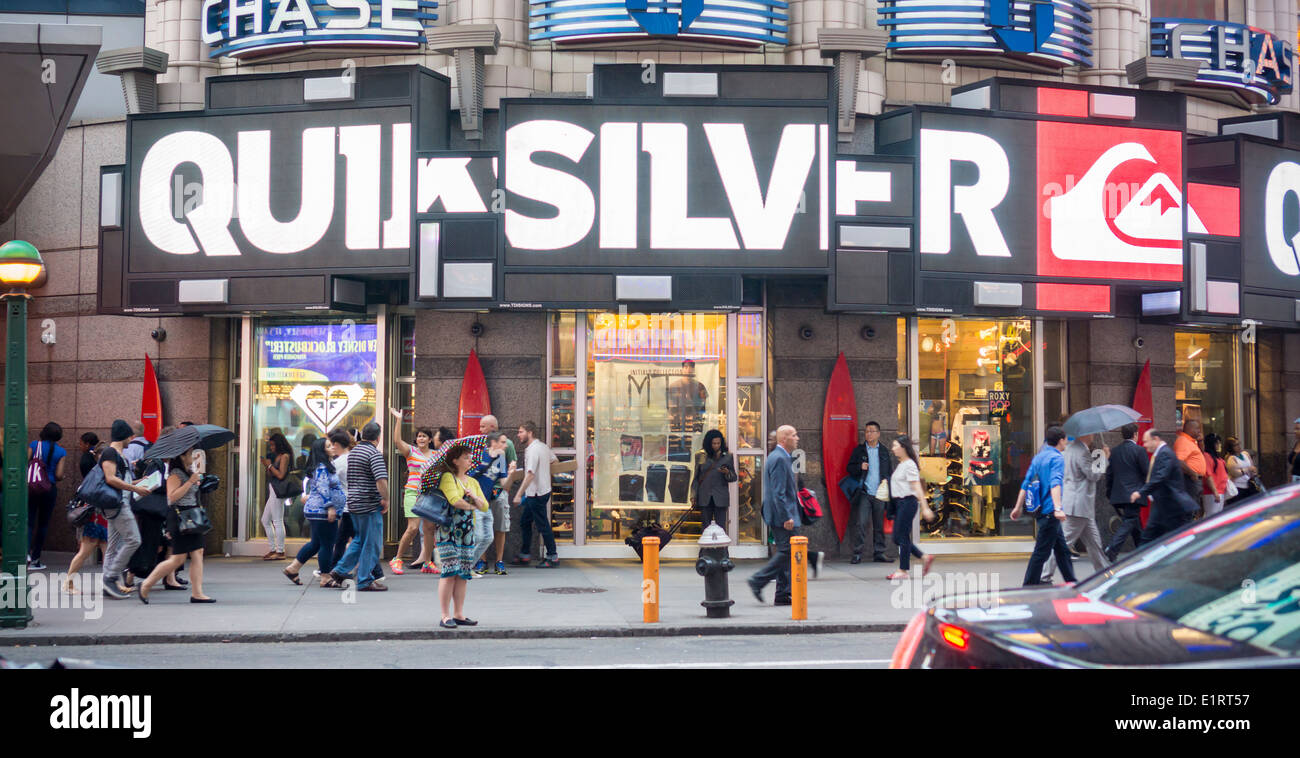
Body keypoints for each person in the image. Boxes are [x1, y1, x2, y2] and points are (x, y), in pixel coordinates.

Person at [137, 448, 214, 603]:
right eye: (190, 453)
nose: (193, 456)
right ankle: (146, 584)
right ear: (182, 456)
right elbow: (171, 497)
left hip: (192, 515)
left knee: (197, 552)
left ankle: (197, 592)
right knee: (177, 559)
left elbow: (192, 492)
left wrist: (200, 482)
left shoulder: (189, 471)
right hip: (179, 516)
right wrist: (190, 482)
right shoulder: (175, 474)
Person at [433, 443, 490, 628]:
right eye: (466, 457)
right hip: (448, 530)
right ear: (455, 460)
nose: (470, 459)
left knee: (463, 573)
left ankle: (458, 614)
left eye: (470, 456)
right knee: (449, 571)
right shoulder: (447, 478)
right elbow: (454, 501)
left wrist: (474, 497)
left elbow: (485, 506)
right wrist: (472, 505)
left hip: (466, 532)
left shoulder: (473, 482)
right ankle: (445, 615)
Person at [327, 422, 389, 591]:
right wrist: (386, 498)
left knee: (360, 539)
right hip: (369, 503)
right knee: (372, 542)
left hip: (353, 503)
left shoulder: (353, 453)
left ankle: (339, 570)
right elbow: (381, 480)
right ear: (378, 437)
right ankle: (364, 579)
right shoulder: (373, 454)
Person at [1010, 426, 1076, 587]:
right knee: (1041, 552)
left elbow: (1026, 483)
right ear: (1061, 440)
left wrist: (1018, 507)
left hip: (1042, 511)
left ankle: (1072, 582)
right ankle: (1029, 585)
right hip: (1049, 512)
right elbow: (1055, 484)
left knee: (1062, 551)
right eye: (1065, 439)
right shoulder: (1057, 458)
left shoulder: (1039, 457)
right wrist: (1058, 508)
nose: (1066, 442)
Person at [1042, 433, 1110, 582]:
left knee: (1094, 543)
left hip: (1078, 504)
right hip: (1078, 505)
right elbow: (1093, 475)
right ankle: (1044, 575)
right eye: (1091, 433)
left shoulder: (1070, 449)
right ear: (1085, 434)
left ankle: (1105, 572)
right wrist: (1104, 458)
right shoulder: (1081, 451)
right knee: (1064, 543)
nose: (1093, 436)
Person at [747, 425, 802, 605]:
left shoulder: (782, 457)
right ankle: (758, 580)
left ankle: (783, 594)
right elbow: (779, 493)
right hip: (781, 516)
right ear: (784, 439)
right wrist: (786, 517)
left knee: (787, 552)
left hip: (781, 513)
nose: (797, 438)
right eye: (793, 435)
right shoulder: (779, 458)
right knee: (786, 551)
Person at [100, 420, 153, 599]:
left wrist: (140, 482)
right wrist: (136, 488)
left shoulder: (118, 454)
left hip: (118, 503)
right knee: (134, 540)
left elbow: (120, 480)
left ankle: (108, 583)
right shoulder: (110, 453)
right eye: (130, 435)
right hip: (118, 504)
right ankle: (110, 577)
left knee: (114, 545)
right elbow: (110, 479)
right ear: (123, 436)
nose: (132, 438)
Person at [283, 438, 341, 585]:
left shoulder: (325, 465)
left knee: (316, 543)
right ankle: (325, 577)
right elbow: (323, 488)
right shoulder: (322, 468)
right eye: (329, 446)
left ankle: (293, 568)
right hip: (322, 511)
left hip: (317, 510)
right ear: (322, 451)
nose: (333, 447)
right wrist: (330, 507)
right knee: (327, 544)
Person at [388, 411, 436, 575]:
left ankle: (428, 562)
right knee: (413, 528)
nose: (421, 439)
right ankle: (398, 558)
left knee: (429, 528)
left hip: (429, 495)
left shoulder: (436, 456)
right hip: (412, 493)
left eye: (424, 436)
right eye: (419, 436)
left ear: (430, 439)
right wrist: (399, 420)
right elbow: (397, 440)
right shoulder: (411, 452)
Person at [845, 420, 895, 564]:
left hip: (879, 492)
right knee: (861, 523)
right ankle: (857, 553)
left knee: (879, 524)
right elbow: (849, 468)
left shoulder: (884, 450)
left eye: (872, 431)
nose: (868, 434)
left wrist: (887, 483)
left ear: (878, 434)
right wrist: (860, 467)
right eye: (866, 431)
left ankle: (879, 552)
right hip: (864, 492)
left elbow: (889, 471)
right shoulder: (859, 450)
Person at [1133, 430, 1195, 543]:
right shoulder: (1161, 453)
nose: (1144, 445)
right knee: (1152, 537)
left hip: (1172, 504)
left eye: (1146, 441)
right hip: (1163, 504)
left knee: (1153, 537)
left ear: (1155, 439)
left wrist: (1140, 492)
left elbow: (1160, 477)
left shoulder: (1165, 453)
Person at [512, 421, 559, 567]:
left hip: (536, 493)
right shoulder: (543, 447)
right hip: (541, 491)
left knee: (542, 524)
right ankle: (525, 554)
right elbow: (554, 460)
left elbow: (530, 474)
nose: (518, 435)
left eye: (521, 432)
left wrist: (518, 494)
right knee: (525, 522)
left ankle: (552, 557)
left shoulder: (533, 450)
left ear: (530, 432)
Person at [885, 435, 933, 580]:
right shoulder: (902, 464)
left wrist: (925, 507)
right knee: (898, 537)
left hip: (908, 502)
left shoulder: (910, 465)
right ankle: (924, 557)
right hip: (901, 504)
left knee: (901, 536)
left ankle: (903, 570)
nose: (893, 449)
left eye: (895, 446)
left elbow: (916, 486)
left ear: (903, 447)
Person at [26, 421, 68, 570]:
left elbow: (25, 463)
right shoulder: (61, 452)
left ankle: (26, 555)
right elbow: (58, 475)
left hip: (31, 487)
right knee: (43, 524)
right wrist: (61, 478)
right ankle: (36, 558)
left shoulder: (34, 445)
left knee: (29, 521)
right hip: (49, 489)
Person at [1104, 423, 1148, 561]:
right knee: (1130, 520)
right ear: (1135, 434)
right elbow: (1147, 472)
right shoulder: (1140, 451)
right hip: (1134, 493)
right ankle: (1112, 548)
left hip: (1118, 493)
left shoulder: (1114, 451)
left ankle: (1142, 550)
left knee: (1135, 523)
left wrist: (1109, 492)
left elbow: (1109, 474)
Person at [472, 432, 510, 575]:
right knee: (479, 536)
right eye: (503, 442)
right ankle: (469, 565)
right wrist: (488, 461)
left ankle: (470, 565)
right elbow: (469, 475)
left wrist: (511, 473)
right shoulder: (479, 455)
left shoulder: (501, 458)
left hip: (486, 501)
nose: (506, 446)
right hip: (473, 500)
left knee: (487, 537)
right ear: (494, 443)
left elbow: (504, 483)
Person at [691, 429, 737, 531]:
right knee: (705, 526)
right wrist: (693, 495)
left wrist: (727, 472)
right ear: (708, 443)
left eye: (718, 443)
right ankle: (706, 547)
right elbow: (696, 477)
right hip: (704, 495)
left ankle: (721, 547)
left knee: (721, 527)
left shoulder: (727, 456)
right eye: (713, 443)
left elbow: (734, 477)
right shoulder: (700, 455)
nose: (716, 446)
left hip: (720, 496)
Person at [261, 432, 293, 560]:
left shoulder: (284, 456)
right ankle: (273, 548)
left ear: (279, 444)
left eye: (273, 445)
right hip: (273, 490)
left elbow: (280, 475)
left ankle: (280, 551)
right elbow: (273, 475)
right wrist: (268, 466)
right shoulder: (278, 456)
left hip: (278, 491)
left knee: (277, 521)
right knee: (265, 520)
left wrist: (268, 465)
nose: (271, 448)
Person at [1173, 418, 1207, 506]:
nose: (1199, 431)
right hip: (1189, 479)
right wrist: (1192, 473)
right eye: (1197, 428)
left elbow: (1201, 453)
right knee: (1190, 509)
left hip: (1194, 480)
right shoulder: (1183, 441)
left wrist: (1200, 441)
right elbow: (1179, 461)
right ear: (1190, 429)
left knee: (1194, 508)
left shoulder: (1190, 441)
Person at [1224, 436, 1259, 506]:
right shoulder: (1231, 458)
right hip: (1238, 487)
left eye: (1239, 444)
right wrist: (1248, 469)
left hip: (1248, 485)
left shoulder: (1245, 454)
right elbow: (1235, 473)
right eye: (1235, 445)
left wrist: (1253, 471)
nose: (1239, 446)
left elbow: (1252, 466)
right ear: (1231, 447)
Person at [1201, 433, 1229, 518]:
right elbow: (1208, 475)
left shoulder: (1217, 457)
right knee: (1212, 517)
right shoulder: (1207, 456)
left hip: (1220, 491)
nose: (1218, 445)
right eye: (1217, 443)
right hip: (1212, 492)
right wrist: (1215, 492)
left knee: (1217, 517)